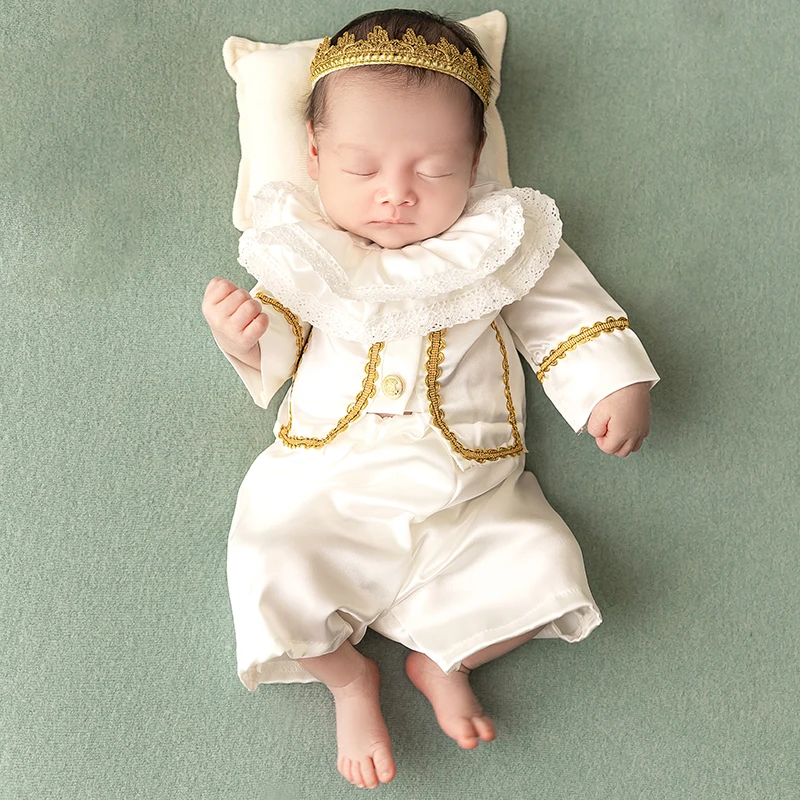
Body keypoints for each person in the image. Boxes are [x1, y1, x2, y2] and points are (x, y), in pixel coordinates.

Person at [202, 8, 660, 790]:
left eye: (434, 170)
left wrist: (614, 383)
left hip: (468, 492)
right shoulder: (309, 248)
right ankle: (350, 680)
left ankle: (441, 656)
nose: (395, 195)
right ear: (313, 158)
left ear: (476, 162)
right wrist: (243, 333)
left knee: (543, 565)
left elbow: (565, 315)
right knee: (266, 564)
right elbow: (277, 333)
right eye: (361, 169)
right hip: (326, 486)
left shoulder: (501, 241)